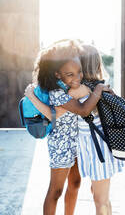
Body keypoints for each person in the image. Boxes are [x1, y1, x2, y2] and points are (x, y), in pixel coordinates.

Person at [25, 40, 112, 215]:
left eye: (78, 72)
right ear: (58, 74)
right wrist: (97, 91)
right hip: (61, 145)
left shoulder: (70, 87)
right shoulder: (57, 93)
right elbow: (80, 110)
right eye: (70, 74)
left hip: (76, 143)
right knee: (55, 191)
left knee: (75, 184)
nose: (77, 77)